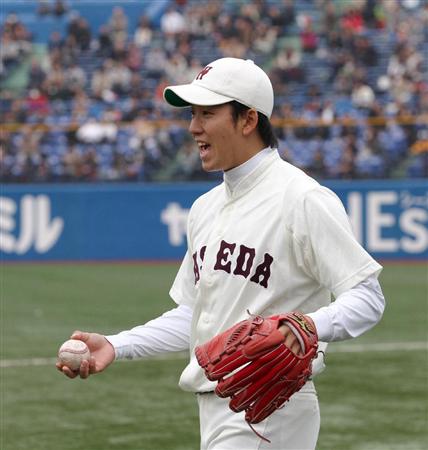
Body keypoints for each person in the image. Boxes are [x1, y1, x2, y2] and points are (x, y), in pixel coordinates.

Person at [57, 58, 386, 450]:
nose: (194, 127)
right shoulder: (205, 208)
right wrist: (117, 345)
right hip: (217, 409)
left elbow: (368, 297)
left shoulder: (301, 198)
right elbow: (194, 315)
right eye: (193, 114)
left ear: (248, 120)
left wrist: (309, 326)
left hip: (270, 408)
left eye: (207, 114)